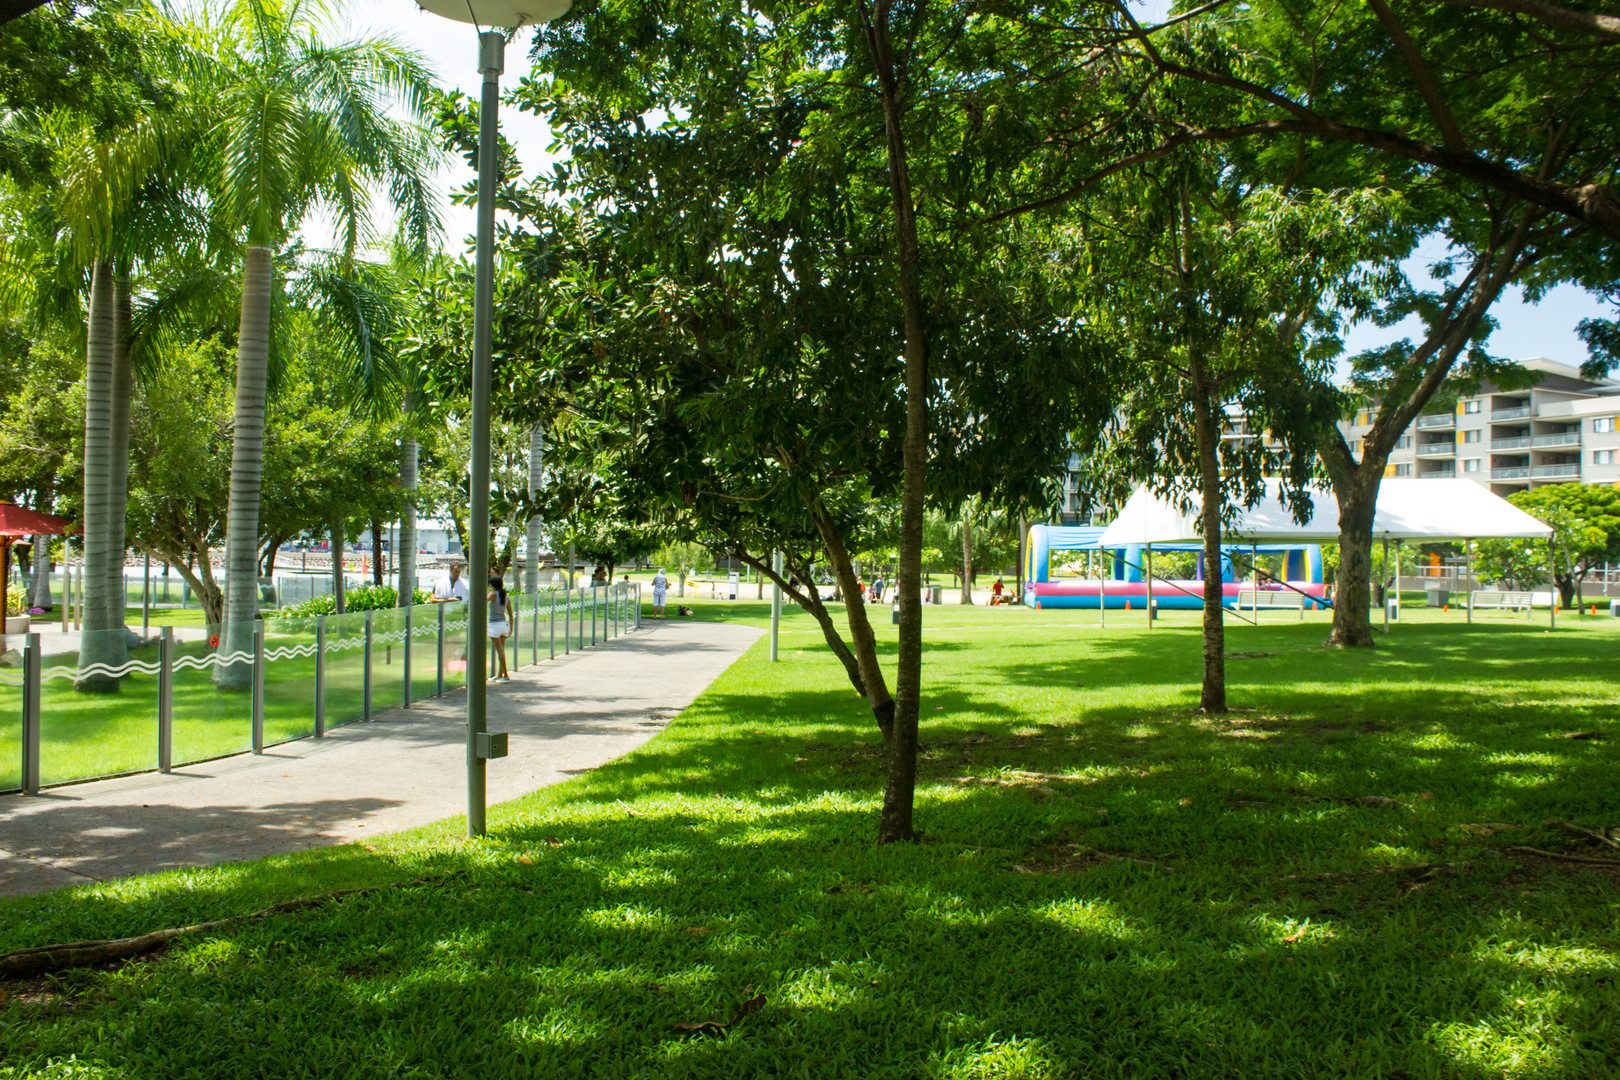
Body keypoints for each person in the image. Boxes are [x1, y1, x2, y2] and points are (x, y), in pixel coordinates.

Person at [487, 574, 511, 681]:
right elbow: (510, 614)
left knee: (500, 651)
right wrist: (511, 628)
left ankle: (505, 675)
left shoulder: (493, 595)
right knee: (501, 650)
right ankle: (499, 675)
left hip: (494, 625)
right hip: (503, 624)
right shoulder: (505, 597)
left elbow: (484, 599)